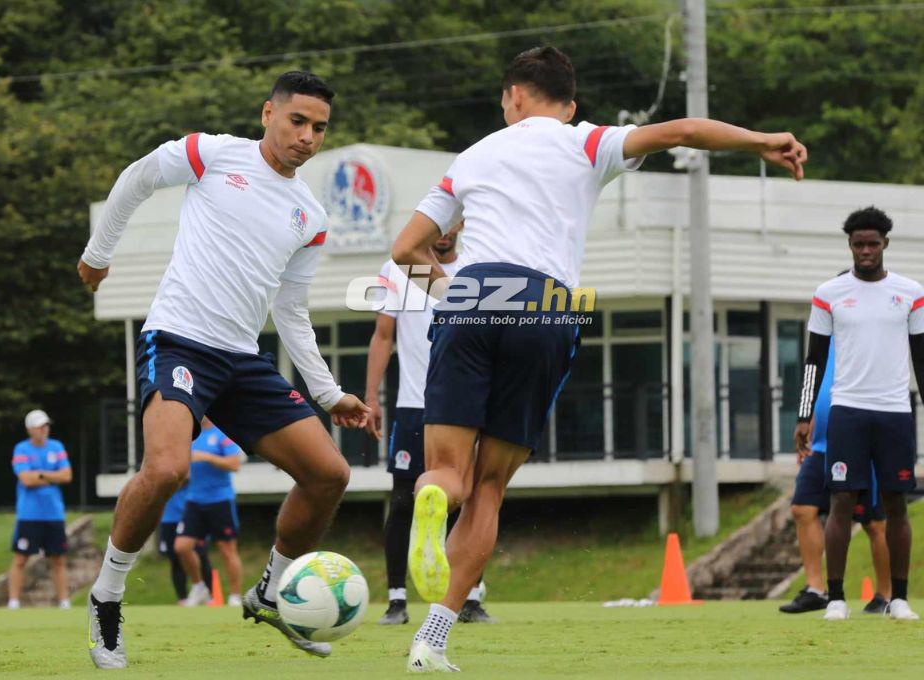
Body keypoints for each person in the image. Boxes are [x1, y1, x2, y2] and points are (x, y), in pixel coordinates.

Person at [390, 46, 808, 672]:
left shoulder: (473, 155)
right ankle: (434, 636)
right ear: (571, 104)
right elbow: (685, 131)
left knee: (448, 476)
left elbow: (405, 250)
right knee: (491, 489)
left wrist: (456, 296)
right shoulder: (586, 142)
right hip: (544, 305)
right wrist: (763, 143)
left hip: (472, 296)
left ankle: (430, 499)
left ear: (514, 96)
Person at [78, 71, 370, 668]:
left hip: (241, 360)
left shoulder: (310, 214)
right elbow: (137, 178)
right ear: (268, 113)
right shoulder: (212, 154)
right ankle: (106, 594)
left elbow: (290, 309)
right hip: (180, 340)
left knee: (329, 474)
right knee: (166, 470)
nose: (308, 137)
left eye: (320, 128)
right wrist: (98, 252)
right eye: (298, 121)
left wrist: (328, 391)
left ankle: (271, 592)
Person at [794, 206, 924, 621]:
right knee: (841, 502)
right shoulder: (828, 294)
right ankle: (835, 598)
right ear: (849, 245)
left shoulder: (911, 292)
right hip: (848, 411)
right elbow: (813, 360)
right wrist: (804, 414)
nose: (865, 250)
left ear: (885, 243)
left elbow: (922, 361)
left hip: (894, 412)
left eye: (872, 243)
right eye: (858, 244)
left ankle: (899, 598)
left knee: (895, 504)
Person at [366, 223, 492, 625]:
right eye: (438, 224)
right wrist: (371, 397)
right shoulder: (399, 267)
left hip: (467, 405)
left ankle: (469, 597)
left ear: (462, 224)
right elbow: (383, 336)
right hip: (413, 405)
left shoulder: (478, 267)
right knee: (404, 501)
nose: (443, 232)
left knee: (468, 498)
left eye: (452, 223)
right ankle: (397, 599)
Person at [780, 337, 890, 614]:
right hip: (820, 448)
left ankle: (885, 595)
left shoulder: (868, 340)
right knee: (802, 508)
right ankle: (816, 589)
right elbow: (818, 388)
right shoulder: (824, 343)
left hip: (862, 447)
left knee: (874, 524)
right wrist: (806, 425)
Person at [174, 417, 246, 607]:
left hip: (220, 500)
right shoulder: (189, 436)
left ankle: (235, 597)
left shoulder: (223, 434)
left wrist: (206, 457)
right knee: (181, 546)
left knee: (227, 550)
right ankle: (200, 588)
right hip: (194, 500)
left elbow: (235, 465)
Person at [7, 409, 73, 610]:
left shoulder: (57, 446)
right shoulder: (21, 449)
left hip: (54, 513)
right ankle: (14, 602)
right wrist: (52, 475)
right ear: (30, 429)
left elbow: (67, 475)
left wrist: (40, 475)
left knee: (58, 558)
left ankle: (63, 601)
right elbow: (26, 479)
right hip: (29, 513)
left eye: (46, 425)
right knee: (20, 558)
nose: (45, 429)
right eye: (40, 426)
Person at [158, 482, 212, 605]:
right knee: (175, 560)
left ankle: (209, 596)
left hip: (192, 516)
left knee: (201, 556)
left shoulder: (192, 464)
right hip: (169, 518)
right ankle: (182, 598)